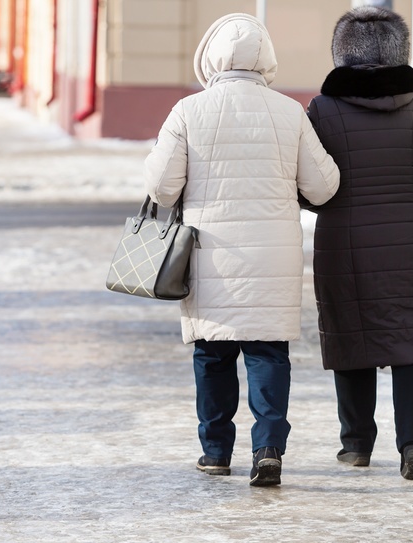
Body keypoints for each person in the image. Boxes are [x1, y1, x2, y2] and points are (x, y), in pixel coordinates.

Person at [144, 13, 340, 486]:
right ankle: (268, 448)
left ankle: (215, 452)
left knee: (212, 354)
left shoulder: (188, 111)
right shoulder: (289, 111)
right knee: (268, 354)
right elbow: (324, 187)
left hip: (210, 256)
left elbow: (162, 188)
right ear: (265, 59)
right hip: (272, 258)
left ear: (210, 57)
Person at [304, 7, 413, 480]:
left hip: (347, 244)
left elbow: (310, 187)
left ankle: (357, 444)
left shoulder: (323, 110)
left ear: (342, 53)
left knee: (353, 337)